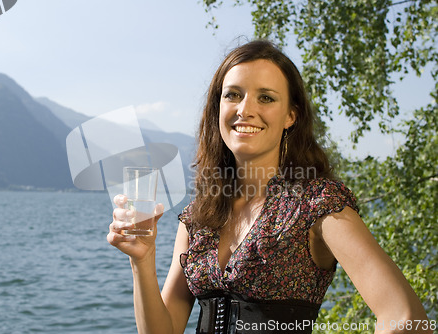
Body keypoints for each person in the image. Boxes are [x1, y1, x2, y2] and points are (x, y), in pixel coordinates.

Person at [107, 40, 431, 334]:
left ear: (291, 115)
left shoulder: (317, 205)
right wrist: (142, 261)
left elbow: (405, 317)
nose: (245, 109)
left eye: (266, 97)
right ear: (217, 107)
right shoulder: (198, 218)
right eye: (233, 94)